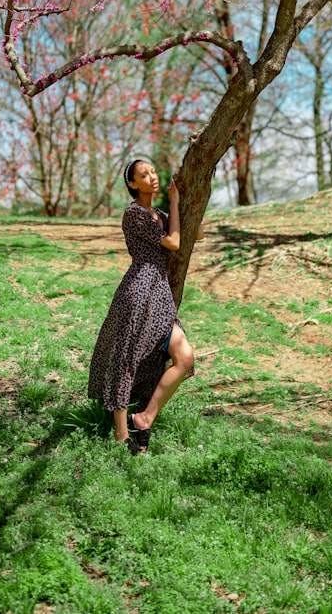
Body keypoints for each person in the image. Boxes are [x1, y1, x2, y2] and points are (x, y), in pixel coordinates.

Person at [87, 159, 195, 453]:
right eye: (143, 175)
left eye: (152, 172)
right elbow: (174, 243)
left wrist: (181, 204)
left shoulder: (158, 215)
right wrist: (174, 202)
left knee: (184, 358)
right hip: (137, 291)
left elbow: (183, 238)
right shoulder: (134, 214)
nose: (151, 177)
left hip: (160, 292)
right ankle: (121, 435)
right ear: (133, 184)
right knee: (127, 357)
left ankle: (145, 417)